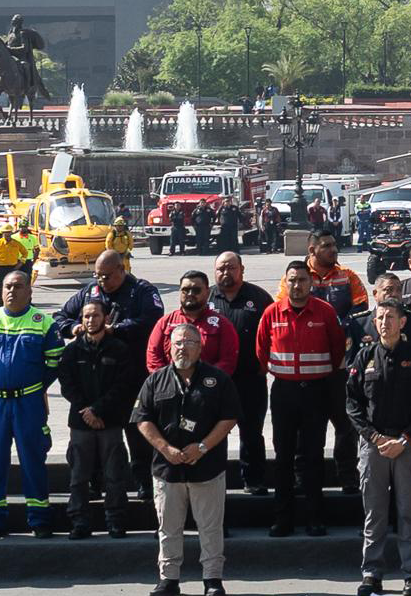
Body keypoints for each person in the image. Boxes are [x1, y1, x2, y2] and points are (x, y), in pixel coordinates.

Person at [133, 323, 240, 596]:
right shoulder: (155, 380)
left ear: (200, 347)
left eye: (189, 342)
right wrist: (165, 448)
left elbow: (229, 418)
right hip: (167, 470)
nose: (183, 347)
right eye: (178, 343)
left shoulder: (218, 380)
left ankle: (212, 580)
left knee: (210, 528)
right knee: (168, 528)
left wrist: (202, 447)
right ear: (170, 347)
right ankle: (168, 579)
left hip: (207, 468)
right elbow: (142, 419)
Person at [55, 250, 165, 500]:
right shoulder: (90, 292)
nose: (102, 281)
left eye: (106, 276)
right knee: (94, 432)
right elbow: (60, 316)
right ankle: (95, 482)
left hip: (132, 375)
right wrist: (73, 327)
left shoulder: (141, 291)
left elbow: (151, 320)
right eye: (98, 276)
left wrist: (117, 329)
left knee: (137, 432)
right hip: (95, 377)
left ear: (121, 270)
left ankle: (143, 482)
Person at [347, 300, 411, 596]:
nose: (384, 322)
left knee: (408, 511)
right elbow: (353, 403)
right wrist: (374, 438)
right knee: (374, 513)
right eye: (380, 317)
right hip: (375, 445)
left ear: (402, 322)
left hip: (406, 444)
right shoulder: (364, 356)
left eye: (390, 317)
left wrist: (405, 440)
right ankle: (371, 572)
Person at [0, 269, 64, 538]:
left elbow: (54, 362)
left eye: (18, 286)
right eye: (7, 286)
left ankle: (39, 519)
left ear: (29, 291)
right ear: (1, 291)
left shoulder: (44, 323)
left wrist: (32, 387)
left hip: (29, 404)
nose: (12, 291)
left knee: (33, 461)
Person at [258, 259, 346, 537]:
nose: (297, 285)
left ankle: (315, 518)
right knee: (283, 457)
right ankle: (282, 519)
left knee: (313, 456)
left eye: (302, 280)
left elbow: (337, 348)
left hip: (316, 393)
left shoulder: (325, 312)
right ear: (285, 283)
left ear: (311, 283)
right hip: (284, 393)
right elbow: (261, 351)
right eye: (292, 280)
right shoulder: (272, 313)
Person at [57, 299, 136, 539]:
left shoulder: (119, 349)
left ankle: (115, 520)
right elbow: (67, 385)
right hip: (81, 423)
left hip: (109, 421)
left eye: (96, 316)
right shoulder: (72, 351)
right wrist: (87, 411)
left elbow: (123, 386)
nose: (91, 320)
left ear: (106, 318)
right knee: (79, 476)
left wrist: (98, 410)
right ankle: (79, 521)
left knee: (114, 474)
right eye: (86, 316)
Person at [307, 229, 369, 493]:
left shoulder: (348, 276)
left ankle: (348, 477)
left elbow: (361, 310)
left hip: (342, 366)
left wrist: (331, 326)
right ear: (312, 250)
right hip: (309, 368)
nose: (334, 249)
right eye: (327, 246)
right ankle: (310, 481)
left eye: (334, 245)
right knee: (311, 428)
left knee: (346, 425)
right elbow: (285, 308)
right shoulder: (297, 276)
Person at [208, 251, 275, 495]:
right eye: (221, 268)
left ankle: (254, 480)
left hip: (250, 379)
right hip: (214, 382)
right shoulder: (206, 298)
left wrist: (264, 365)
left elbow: (274, 334)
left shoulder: (259, 298)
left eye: (231, 267)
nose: (226, 272)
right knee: (214, 433)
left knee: (251, 432)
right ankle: (215, 481)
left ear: (242, 269)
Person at [146, 271, 240, 378]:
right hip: (170, 384)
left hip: (209, 385)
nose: (190, 294)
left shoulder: (222, 324)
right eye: (185, 290)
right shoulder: (165, 323)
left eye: (196, 290)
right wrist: (167, 381)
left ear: (208, 292)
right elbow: (153, 357)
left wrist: (207, 382)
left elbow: (228, 360)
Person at [0, 225, 29, 308]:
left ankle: (12, 303)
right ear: (2, 233)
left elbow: (25, 253)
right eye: (5, 233)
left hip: (13, 268)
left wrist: (20, 263)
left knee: (13, 287)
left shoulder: (16, 243)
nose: (7, 234)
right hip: (1, 269)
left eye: (9, 232)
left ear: (11, 233)